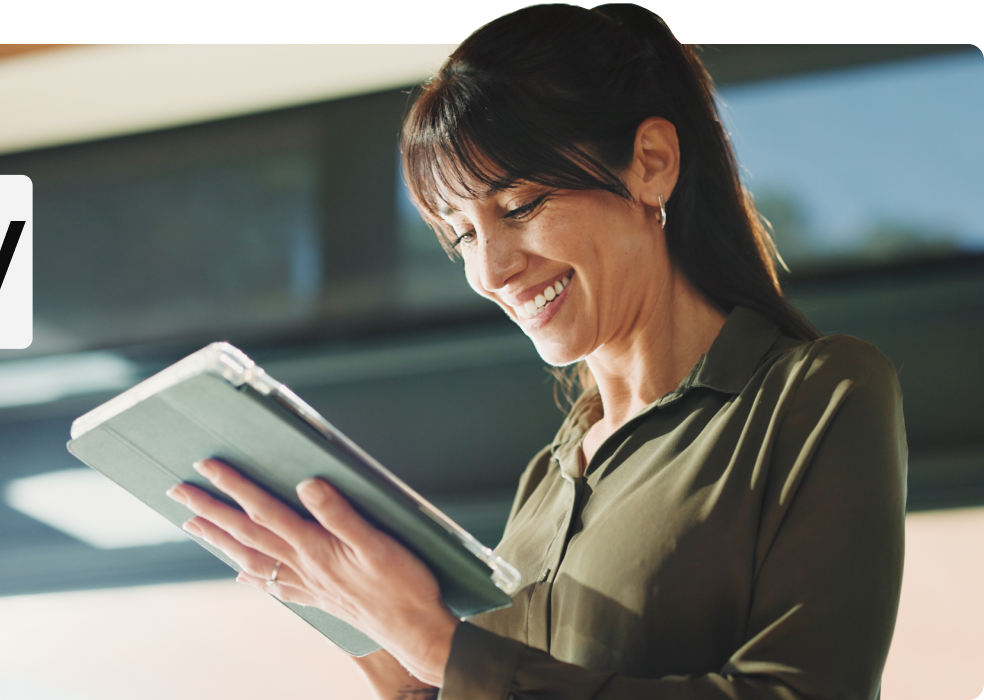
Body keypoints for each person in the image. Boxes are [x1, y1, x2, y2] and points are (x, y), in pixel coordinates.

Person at [165, 5, 907, 699]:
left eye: (520, 207)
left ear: (651, 163)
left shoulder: (816, 394)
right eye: (461, 234)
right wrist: (378, 634)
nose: (490, 271)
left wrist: (440, 648)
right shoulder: (547, 479)